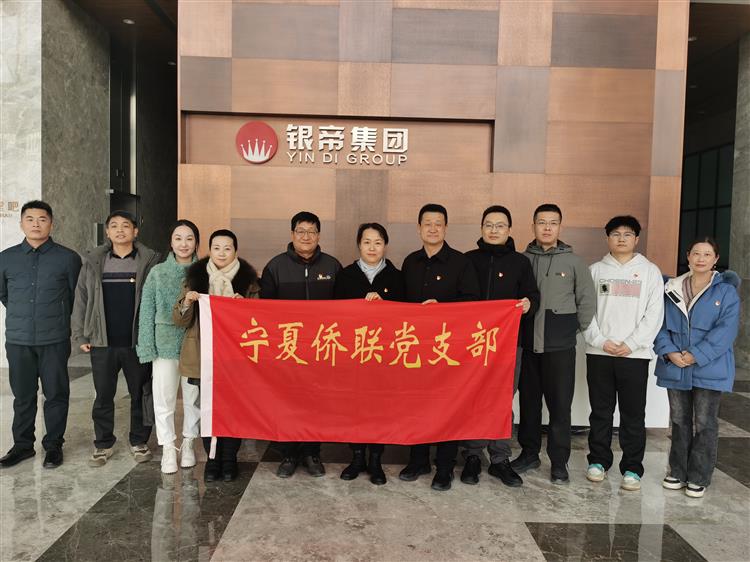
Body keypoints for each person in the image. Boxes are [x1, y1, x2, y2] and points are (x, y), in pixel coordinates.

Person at [399, 203, 480, 491]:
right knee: (416, 404)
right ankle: (418, 460)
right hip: (415, 348)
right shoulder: (410, 262)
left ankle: (444, 466)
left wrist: (442, 307)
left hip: (449, 349)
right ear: (419, 228)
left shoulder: (461, 263)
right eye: (427, 223)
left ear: (446, 228)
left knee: (448, 406)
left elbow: (473, 302)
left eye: (438, 223)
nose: (432, 228)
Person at [513, 203, 596, 484]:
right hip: (527, 344)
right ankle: (529, 454)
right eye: (542, 222)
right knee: (529, 403)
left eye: (552, 223)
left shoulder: (574, 262)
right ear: (533, 226)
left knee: (560, 406)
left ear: (560, 227)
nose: (547, 228)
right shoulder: (522, 260)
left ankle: (559, 462)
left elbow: (587, 301)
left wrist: (571, 329)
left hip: (559, 347)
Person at [71, 210, 160, 467]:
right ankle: (103, 444)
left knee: (140, 393)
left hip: (137, 342)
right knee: (103, 396)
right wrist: (80, 334)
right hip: (102, 341)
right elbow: (81, 299)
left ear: (135, 231)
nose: (120, 230)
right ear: (107, 232)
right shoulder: (93, 262)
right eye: (114, 226)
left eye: (126, 225)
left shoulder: (148, 262)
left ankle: (139, 441)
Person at [654, 237, 740, 498]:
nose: (701, 258)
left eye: (707, 254)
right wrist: (669, 351)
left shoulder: (726, 292)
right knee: (679, 420)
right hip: (675, 364)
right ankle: (677, 471)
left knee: (705, 422)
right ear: (688, 256)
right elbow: (658, 323)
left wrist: (695, 355)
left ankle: (699, 476)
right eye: (696, 253)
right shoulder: (671, 288)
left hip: (709, 366)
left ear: (716, 259)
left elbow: (726, 330)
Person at [583, 216, 664, 491]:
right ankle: (598, 461)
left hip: (634, 356)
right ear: (607, 238)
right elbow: (586, 311)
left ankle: (632, 468)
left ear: (636, 239)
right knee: (601, 412)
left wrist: (631, 343)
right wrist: (600, 341)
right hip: (599, 353)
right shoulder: (595, 271)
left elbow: (655, 314)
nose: (621, 239)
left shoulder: (650, 272)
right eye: (615, 234)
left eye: (627, 234)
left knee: (633, 414)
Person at [460, 205, 539, 487]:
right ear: (481, 228)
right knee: (473, 397)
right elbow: (459, 299)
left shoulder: (520, 262)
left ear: (509, 230)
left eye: (500, 225)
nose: (494, 230)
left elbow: (532, 296)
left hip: (508, 343)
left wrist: (528, 304)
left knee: (502, 399)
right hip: (472, 343)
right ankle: (472, 455)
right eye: (489, 225)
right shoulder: (467, 260)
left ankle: (500, 459)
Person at [173, 229, 260, 482]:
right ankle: (212, 460)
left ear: (235, 251)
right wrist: (188, 302)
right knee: (208, 409)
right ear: (209, 250)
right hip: (204, 356)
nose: (222, 253)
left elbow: (259, 322)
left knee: (233, 409)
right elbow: (179, 320)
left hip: (236, 358)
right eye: (217, 248)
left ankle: (229, 459)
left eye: (227, 248)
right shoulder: (195, 279)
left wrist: (244, 307)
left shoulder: (250, 283)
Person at [260, 211, 342, 479]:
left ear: (319, 235)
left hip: (321, 348)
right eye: (301, 231)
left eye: (311, 231)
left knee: (316, 401)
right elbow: (264, 311)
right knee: (286, 400)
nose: (306, 236)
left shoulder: (332, 266)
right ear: (292, 234)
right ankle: (288, 454)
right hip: (287, 348)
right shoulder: (275, 267)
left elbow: (344, 311)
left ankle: (312, 453)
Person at [0, 201, 81, 469]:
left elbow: (75, 296)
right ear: (21, 223)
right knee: (23, 395)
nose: (36, 224)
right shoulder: (6, 258)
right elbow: (4, 294)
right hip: (18, 340)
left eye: (42, 219)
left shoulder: (68, 258)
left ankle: (54, 446)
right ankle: (22, 446)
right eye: (30, 219)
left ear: (51, 224)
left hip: (54, 339)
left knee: (56, 394)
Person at [333, 222, 405, 485]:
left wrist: (386, 307)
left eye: (377, 242)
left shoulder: (397, 276)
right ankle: (357, 457)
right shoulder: (345, 275)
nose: (372, 247)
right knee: (355, 406)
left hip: (384, 354)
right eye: (367, 242)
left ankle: (376, 459)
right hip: (353, 353)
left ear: (385, 245)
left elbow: (407, 316)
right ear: (359, 245)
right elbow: (334, 314)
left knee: (379, 407)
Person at [137, 220, 201, 474]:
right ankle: (167, 448)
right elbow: (146, 310)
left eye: (189, 238)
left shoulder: (204, 272)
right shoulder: (157, 272)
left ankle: (188, 443)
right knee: (163, 399)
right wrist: (147, 346)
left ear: (196, 242)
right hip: (164, 343)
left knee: (193, 399)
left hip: (195, 343)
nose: (184, 244)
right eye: (178, 238)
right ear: (171, 243)